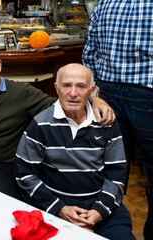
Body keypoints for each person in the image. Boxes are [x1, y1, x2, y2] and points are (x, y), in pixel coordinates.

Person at [0, 48, 115, 200]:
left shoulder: (21, 93)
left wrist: (94, 99)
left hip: (3, 168)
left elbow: (59, 104)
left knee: (0, 210)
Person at [15, 64, 134, 239]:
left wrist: (99, 211)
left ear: (91, 90)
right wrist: (59, 208)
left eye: (81, 86)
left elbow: (117, 174)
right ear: (57, 88)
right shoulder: (40, 124)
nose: (73, 93)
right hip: (55, 203)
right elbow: (24, 174)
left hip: (99, 201)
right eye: (66, 85)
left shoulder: (106, 122)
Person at [82, 1, 153, 238]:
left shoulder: (105, 3)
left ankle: (109, 231)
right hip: (146, 92)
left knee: (108, 173)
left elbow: (89, 54)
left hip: (106, 95)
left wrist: (94, 95)